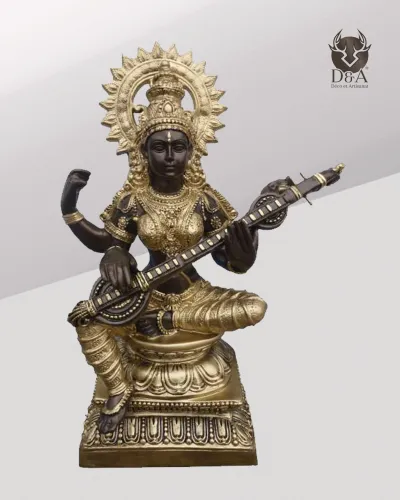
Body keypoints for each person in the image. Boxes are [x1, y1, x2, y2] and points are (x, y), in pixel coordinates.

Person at [61, 51, 280, 434]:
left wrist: (245, 251)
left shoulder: (205, 200)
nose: (168, 157)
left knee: (254, 306)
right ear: (143, 152)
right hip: (144, 294)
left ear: (191, 150)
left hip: (195, 298)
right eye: (158, 148)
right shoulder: (134, 200)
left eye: (177, 147)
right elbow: (105, 242)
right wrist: (72, 210)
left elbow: (232, 261)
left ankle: (169, 322)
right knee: (84, 317)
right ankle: (118, 387)